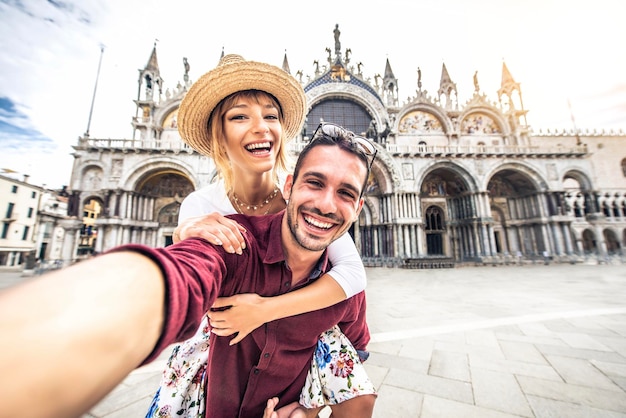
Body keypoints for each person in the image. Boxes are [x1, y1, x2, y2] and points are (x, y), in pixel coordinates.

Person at [0, 127, 377, 418]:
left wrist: (312, 407)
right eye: (315, 182)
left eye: (345, 193)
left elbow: (355, 356)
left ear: (359, 208)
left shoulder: (343, 283)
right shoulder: (230, 241)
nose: (327, 204)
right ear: (289, 185)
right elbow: (182, 276)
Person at [148, 54, 375, 416]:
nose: (261, 128)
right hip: (224, 357)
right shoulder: (201, 203)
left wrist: (264, 310)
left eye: (271, 116)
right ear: (218, 135)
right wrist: (183, 234)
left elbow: (352, 274)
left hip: (291, 348)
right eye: (240, 116)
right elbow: (194, 270)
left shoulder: (302, 197)